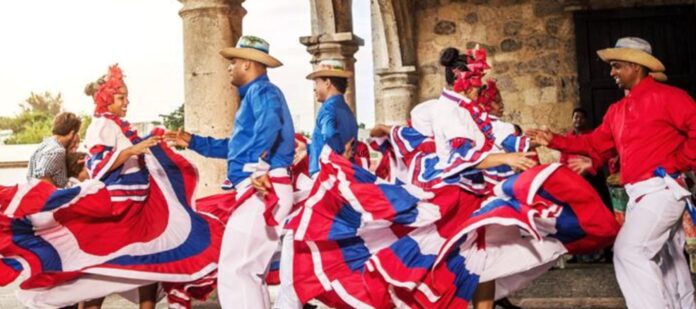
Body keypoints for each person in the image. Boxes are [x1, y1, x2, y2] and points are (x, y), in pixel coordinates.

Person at [528, 37, 696, 309]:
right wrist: (555, 140)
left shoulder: (670, 97)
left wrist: (682, 160)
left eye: (617, 66)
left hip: (662, 191)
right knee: (668, 260)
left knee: (629, 252)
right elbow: (594, 143)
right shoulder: (616, 111)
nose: (612, 72)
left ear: (635, 66)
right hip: (640, 195)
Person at [165, 35, 295, 309]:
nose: (229, 68)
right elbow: (236, 146)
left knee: (235, 272)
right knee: (248, 272)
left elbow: (269, 126)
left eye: (233, 62)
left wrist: (256, 167)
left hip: (262, 188)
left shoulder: (263, 93)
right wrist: (193, 141)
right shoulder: (256, 96)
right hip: (265, 188)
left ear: (247, 64)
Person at [26, 112, 82, 188]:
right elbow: (41, 176)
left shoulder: (46, 144)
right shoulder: (57, 151)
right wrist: (57, 196)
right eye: (76, 133)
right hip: (48, 199)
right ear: (72, 133)